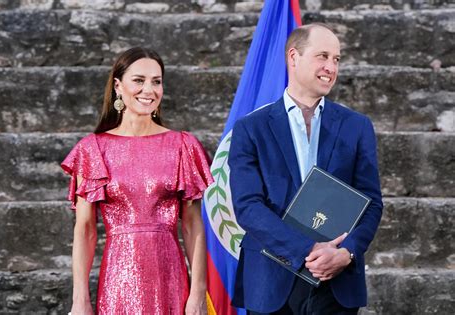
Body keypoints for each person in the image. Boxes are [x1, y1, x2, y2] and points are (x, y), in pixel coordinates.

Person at [228, 23, 383, 314]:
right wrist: (308, 250)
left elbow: (371, 202)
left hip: (337, 282)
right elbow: (248, 206)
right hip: (270, 280)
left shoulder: (357, 127)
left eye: (336, 59)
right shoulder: (251, 128)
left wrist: (346, 252)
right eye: (322, 56)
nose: (331, 67)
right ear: (293, 57)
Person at [61, 47, 213, 314]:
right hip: (118, 280)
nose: (149, 90)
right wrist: (80, 299)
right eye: (139, 80)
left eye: (156, 81)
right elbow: (85, 230)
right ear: (118, 86)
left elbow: (192, 226)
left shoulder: (182, 145)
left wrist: (198, 293)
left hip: (170, 278)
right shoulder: (92, 149)